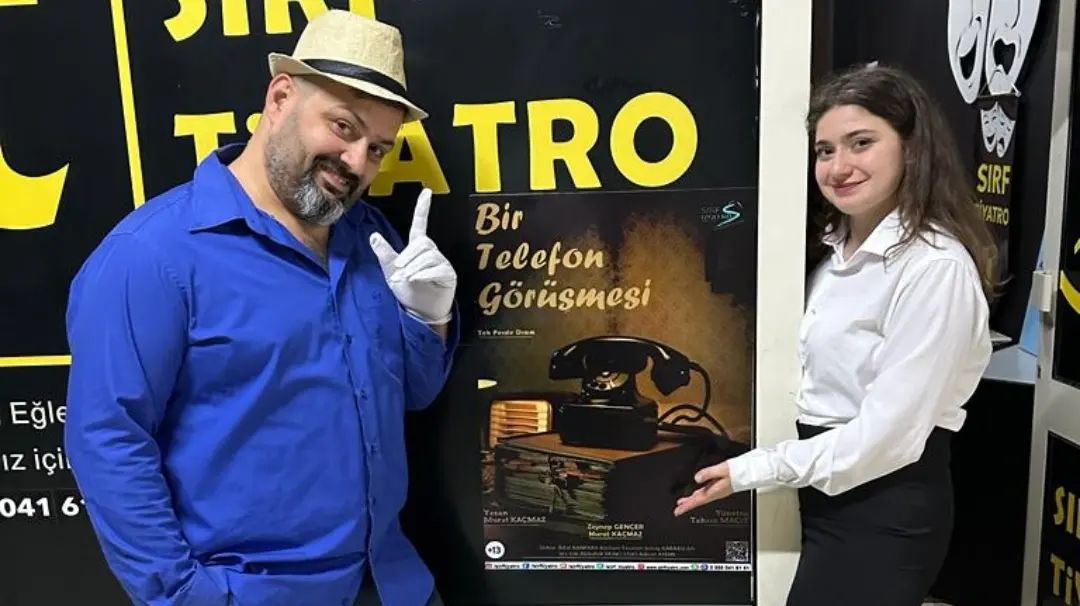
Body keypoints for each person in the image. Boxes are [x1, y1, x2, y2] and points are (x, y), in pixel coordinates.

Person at [64, 10, 456, 606]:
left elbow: (416, 393)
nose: (356, 163)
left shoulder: (372, 240)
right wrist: (183, 595)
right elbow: (108, 438)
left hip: (394, 583)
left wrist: (429, 318)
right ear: (279, 98)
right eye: (343, 127)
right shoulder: (151, 256)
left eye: (377, 148)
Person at [673, 64, 997, 605]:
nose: (839, 167)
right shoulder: (831, 253)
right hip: (825, 499)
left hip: (884, 510)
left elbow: (887, 439)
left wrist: (755, 468)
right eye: (825, 151)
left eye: (861, 143)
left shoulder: (934, 267)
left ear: (912, 148)